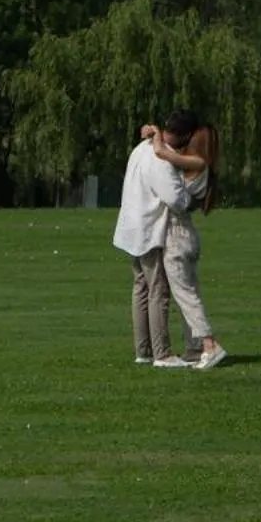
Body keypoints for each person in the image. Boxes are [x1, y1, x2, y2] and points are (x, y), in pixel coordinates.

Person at [146, 111, 228, 371]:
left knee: (186, 296)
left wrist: (155, 132)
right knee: (190, 293)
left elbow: (161, 152)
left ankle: (209, 344)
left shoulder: (195, 162)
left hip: (176, 236)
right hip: (187, 235)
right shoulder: (202, 164)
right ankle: (195, 349)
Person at [112, 118, 194, 369]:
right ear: (184, 135)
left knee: (141, 289)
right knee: (158, 289)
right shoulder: (163, 158)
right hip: (149, 230)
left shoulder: (141, 148)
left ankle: (143, 350)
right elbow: (175, 200)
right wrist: (189, 194)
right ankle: (163, 353)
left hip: (132, 227)